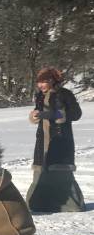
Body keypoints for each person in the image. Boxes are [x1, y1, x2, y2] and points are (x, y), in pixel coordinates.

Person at [26, 67, 84, 213]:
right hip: (42, 139)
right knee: (41, 171)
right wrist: (34, 116)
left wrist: (58, 115)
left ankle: (70, 204)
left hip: (60, 138)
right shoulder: (39, 95)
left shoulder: (65, 94)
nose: (41, 85)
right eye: (39, 82)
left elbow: (76, 113)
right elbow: (38, 114)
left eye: (44, 81)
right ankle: (38, 204)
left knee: (60, 171)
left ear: (53, 80)